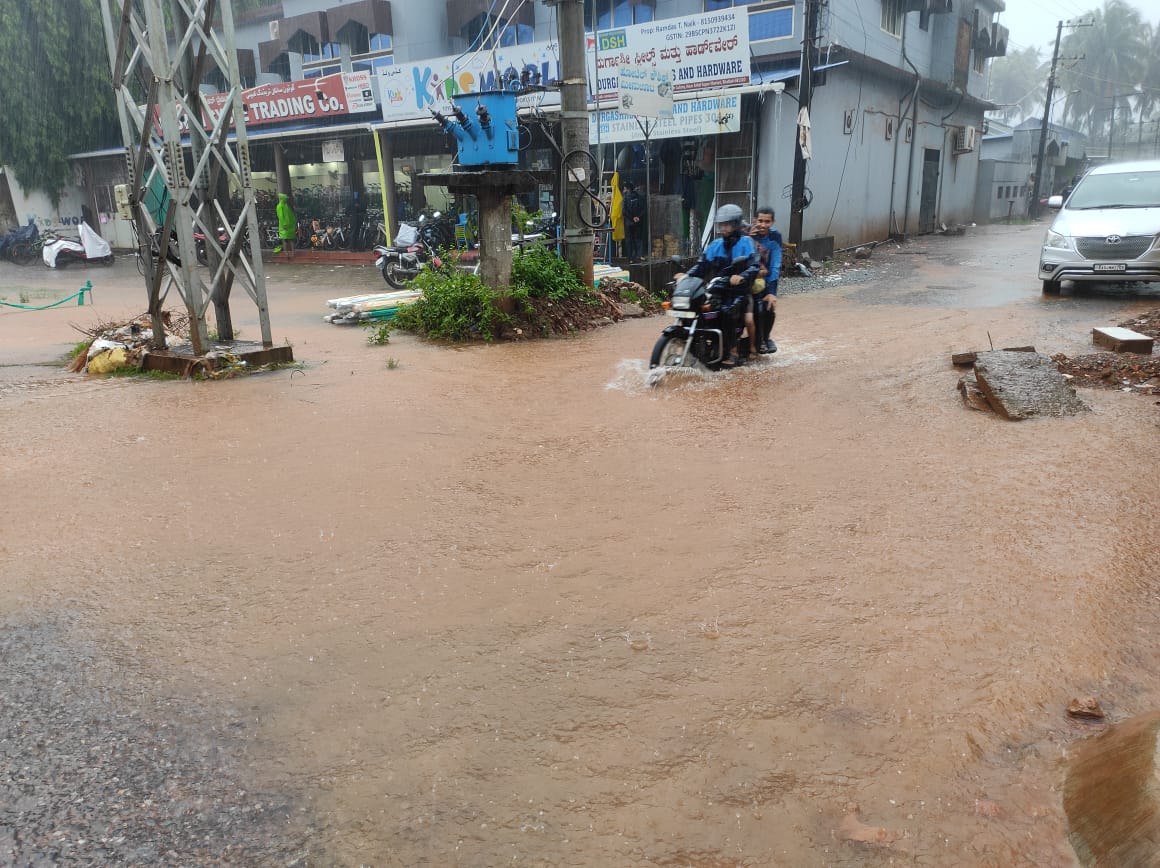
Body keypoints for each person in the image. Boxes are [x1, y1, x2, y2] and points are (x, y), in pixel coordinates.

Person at [677, 203, 759, 367]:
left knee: (726, 311)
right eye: (721, 224)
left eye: (727, 224)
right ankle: (690, 346)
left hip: (738, 291)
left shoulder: (746, 243)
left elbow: (754, 266)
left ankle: (733, 351)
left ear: (736, 224)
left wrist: (741, 276)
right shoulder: (715, 245)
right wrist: (686, 276)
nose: (723, 228)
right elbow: (702, 265)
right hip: (716, 289)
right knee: (692, 307)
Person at [749, 206, 782, 354]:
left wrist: (771, 291)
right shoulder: (745, 234)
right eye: (760, 220)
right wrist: (747, 237)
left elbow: (775, 265)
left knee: (767, 308)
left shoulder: (775, 237)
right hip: (745, 279)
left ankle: (765, 338)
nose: (763, 225)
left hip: (764, 280)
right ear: (754, 220)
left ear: (773, 222)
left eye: (767, 221)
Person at [622, 181, 646, 262]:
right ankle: (640, 255)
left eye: (624, 189)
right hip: (638, 222)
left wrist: (632, 218)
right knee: (638, 239)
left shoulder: (625, 198)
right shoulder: (639, 196)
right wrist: (638, 217)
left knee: (629, 240)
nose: (623, 190)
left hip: (629, 223)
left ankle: (631, 258)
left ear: (628, 189)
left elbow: (624, 211)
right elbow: (643, 209)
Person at [276, 192, 296, 260]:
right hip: (285, 226)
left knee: (288, 239)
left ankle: (290, 253)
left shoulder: (284, 205)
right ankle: (287, 253)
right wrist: (284, 224)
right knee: (287, 239)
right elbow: (281, 216)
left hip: (288, 226)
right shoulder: (281, 206)